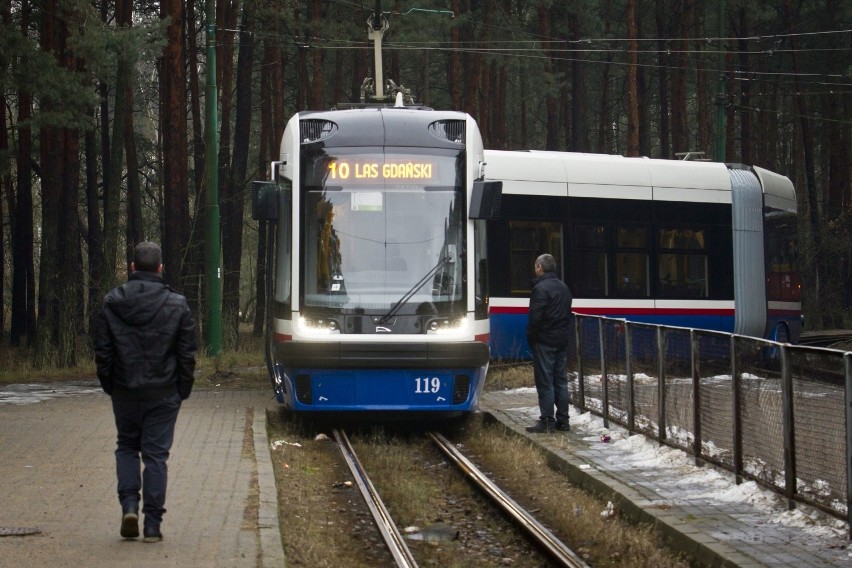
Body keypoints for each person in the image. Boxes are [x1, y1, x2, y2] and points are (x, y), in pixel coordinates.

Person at [95, 241, 198, 542]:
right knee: (156, 456)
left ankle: (129, 505)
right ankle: (152, 524)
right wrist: (183, 389)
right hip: (164, 393)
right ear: (160, 268)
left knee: (127, 446)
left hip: (125, 391)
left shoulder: (112, 302)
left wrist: (110, 385)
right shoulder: (177, 304)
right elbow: (187, 353)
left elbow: (103, 351)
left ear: (132, 267)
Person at [525, 253, 573, 433]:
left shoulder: (540, 289)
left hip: (545, 340)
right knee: (560, 380)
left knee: (545, 381)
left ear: (539, 267)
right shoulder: (564, 287)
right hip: (561, 339)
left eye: (536, 266)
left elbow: (535, 319)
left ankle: (546, 421)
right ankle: (564, 420)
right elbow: (567, 314)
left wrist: (531, 337)